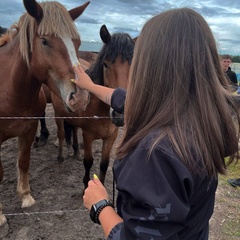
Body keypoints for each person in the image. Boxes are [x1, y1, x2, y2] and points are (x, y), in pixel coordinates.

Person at [72, 8, 240, 239]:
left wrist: (100, 206)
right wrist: (90, 86)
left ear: (149, 64)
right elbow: (122, 97)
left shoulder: (155, 153)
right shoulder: (205, 117)